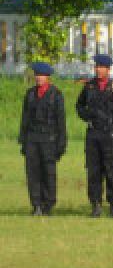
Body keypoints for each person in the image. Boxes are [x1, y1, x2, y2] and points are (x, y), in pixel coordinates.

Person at [76, 54, 113, 217]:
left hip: (109, 134)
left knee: (111, 170)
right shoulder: (89, 87)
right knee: (93, 171)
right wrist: (87, 115)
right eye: (96, 67)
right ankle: (96, 204)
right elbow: (79, 106)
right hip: (93, 133)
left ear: (108, 69)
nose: (98, 70)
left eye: (101, 67)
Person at [19, 62, 67, 216]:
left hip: (49, 139)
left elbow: (61, 121)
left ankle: (48, 204)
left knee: (48, 173)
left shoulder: (56, 95)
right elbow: (25, 119)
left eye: (41, 75)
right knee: (33, 173)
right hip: (32, 138)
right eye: (37, 75)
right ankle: (36, 205)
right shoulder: (30, 94)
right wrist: (23, 140)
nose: (38, 78)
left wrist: (61, 144)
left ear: (48, 77)